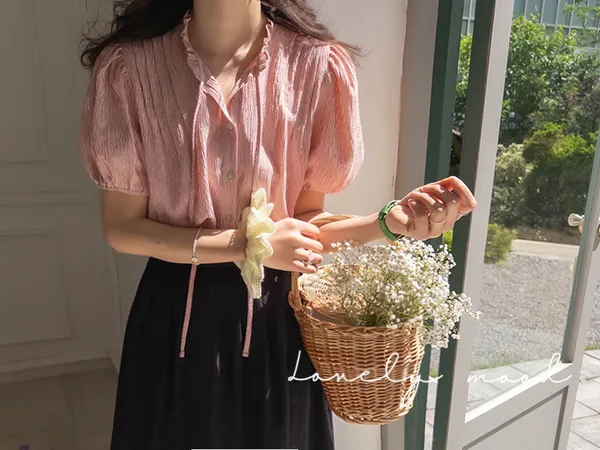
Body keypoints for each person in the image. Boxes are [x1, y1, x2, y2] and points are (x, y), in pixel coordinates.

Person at [79, 0, 477, 449]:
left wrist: (387, 223)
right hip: (174, 324)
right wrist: (246, 244)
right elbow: (122, 228)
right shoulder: (130, 69)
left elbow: (304, 226)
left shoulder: (316, 67)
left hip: (276, 328)